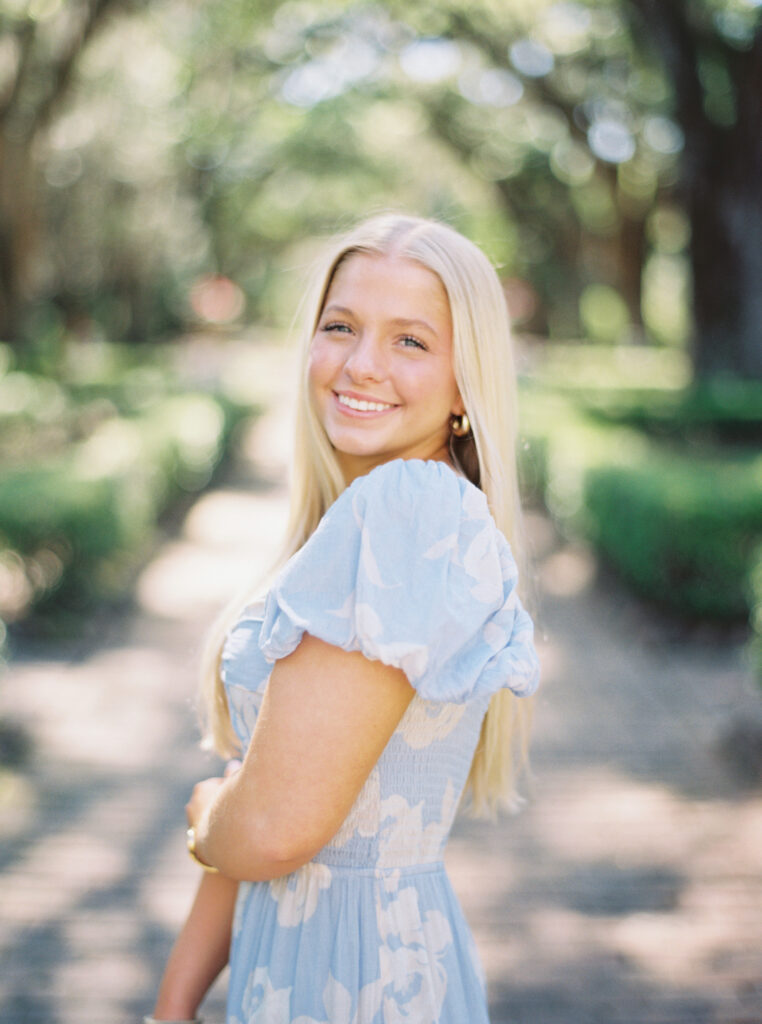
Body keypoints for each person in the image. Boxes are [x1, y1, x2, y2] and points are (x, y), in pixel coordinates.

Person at [146, 213, 540, 1024]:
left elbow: (270, 828)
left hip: (360, 982)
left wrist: (206, 823)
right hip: (301, 966)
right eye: (341, 327)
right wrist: (173, 1007)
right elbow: (259, 798)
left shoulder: (408, 512)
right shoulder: (352, 521)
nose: (361, 365)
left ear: (467, 383)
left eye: (410, 342)